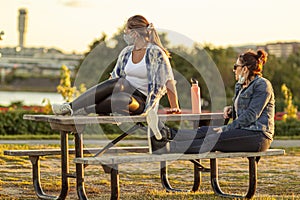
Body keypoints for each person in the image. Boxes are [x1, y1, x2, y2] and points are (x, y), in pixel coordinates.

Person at [52, 15, 180, 116]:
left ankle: (85, 110)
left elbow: (168, 81)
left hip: (142, 101)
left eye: (126, 30)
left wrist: (175, 107)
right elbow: (113, 79)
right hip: (125, 88)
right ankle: (70, 107)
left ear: (134, 33)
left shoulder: (156, 53)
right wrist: (103, 94)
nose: (125, 33)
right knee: (119, 82)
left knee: (121, 99)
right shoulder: (126, 52)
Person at [152, 49, 275, 154]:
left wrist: (226, 129)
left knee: (214, 139)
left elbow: (251, 115)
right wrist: (232, 109)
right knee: (205, 131)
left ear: (245, 69)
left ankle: (168, 148)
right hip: (243, 131)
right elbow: (244, 109)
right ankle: (166, 133)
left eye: (235, 67)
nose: (234, 70)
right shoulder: (241, 86)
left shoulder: (262, 85)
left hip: (258, 136)